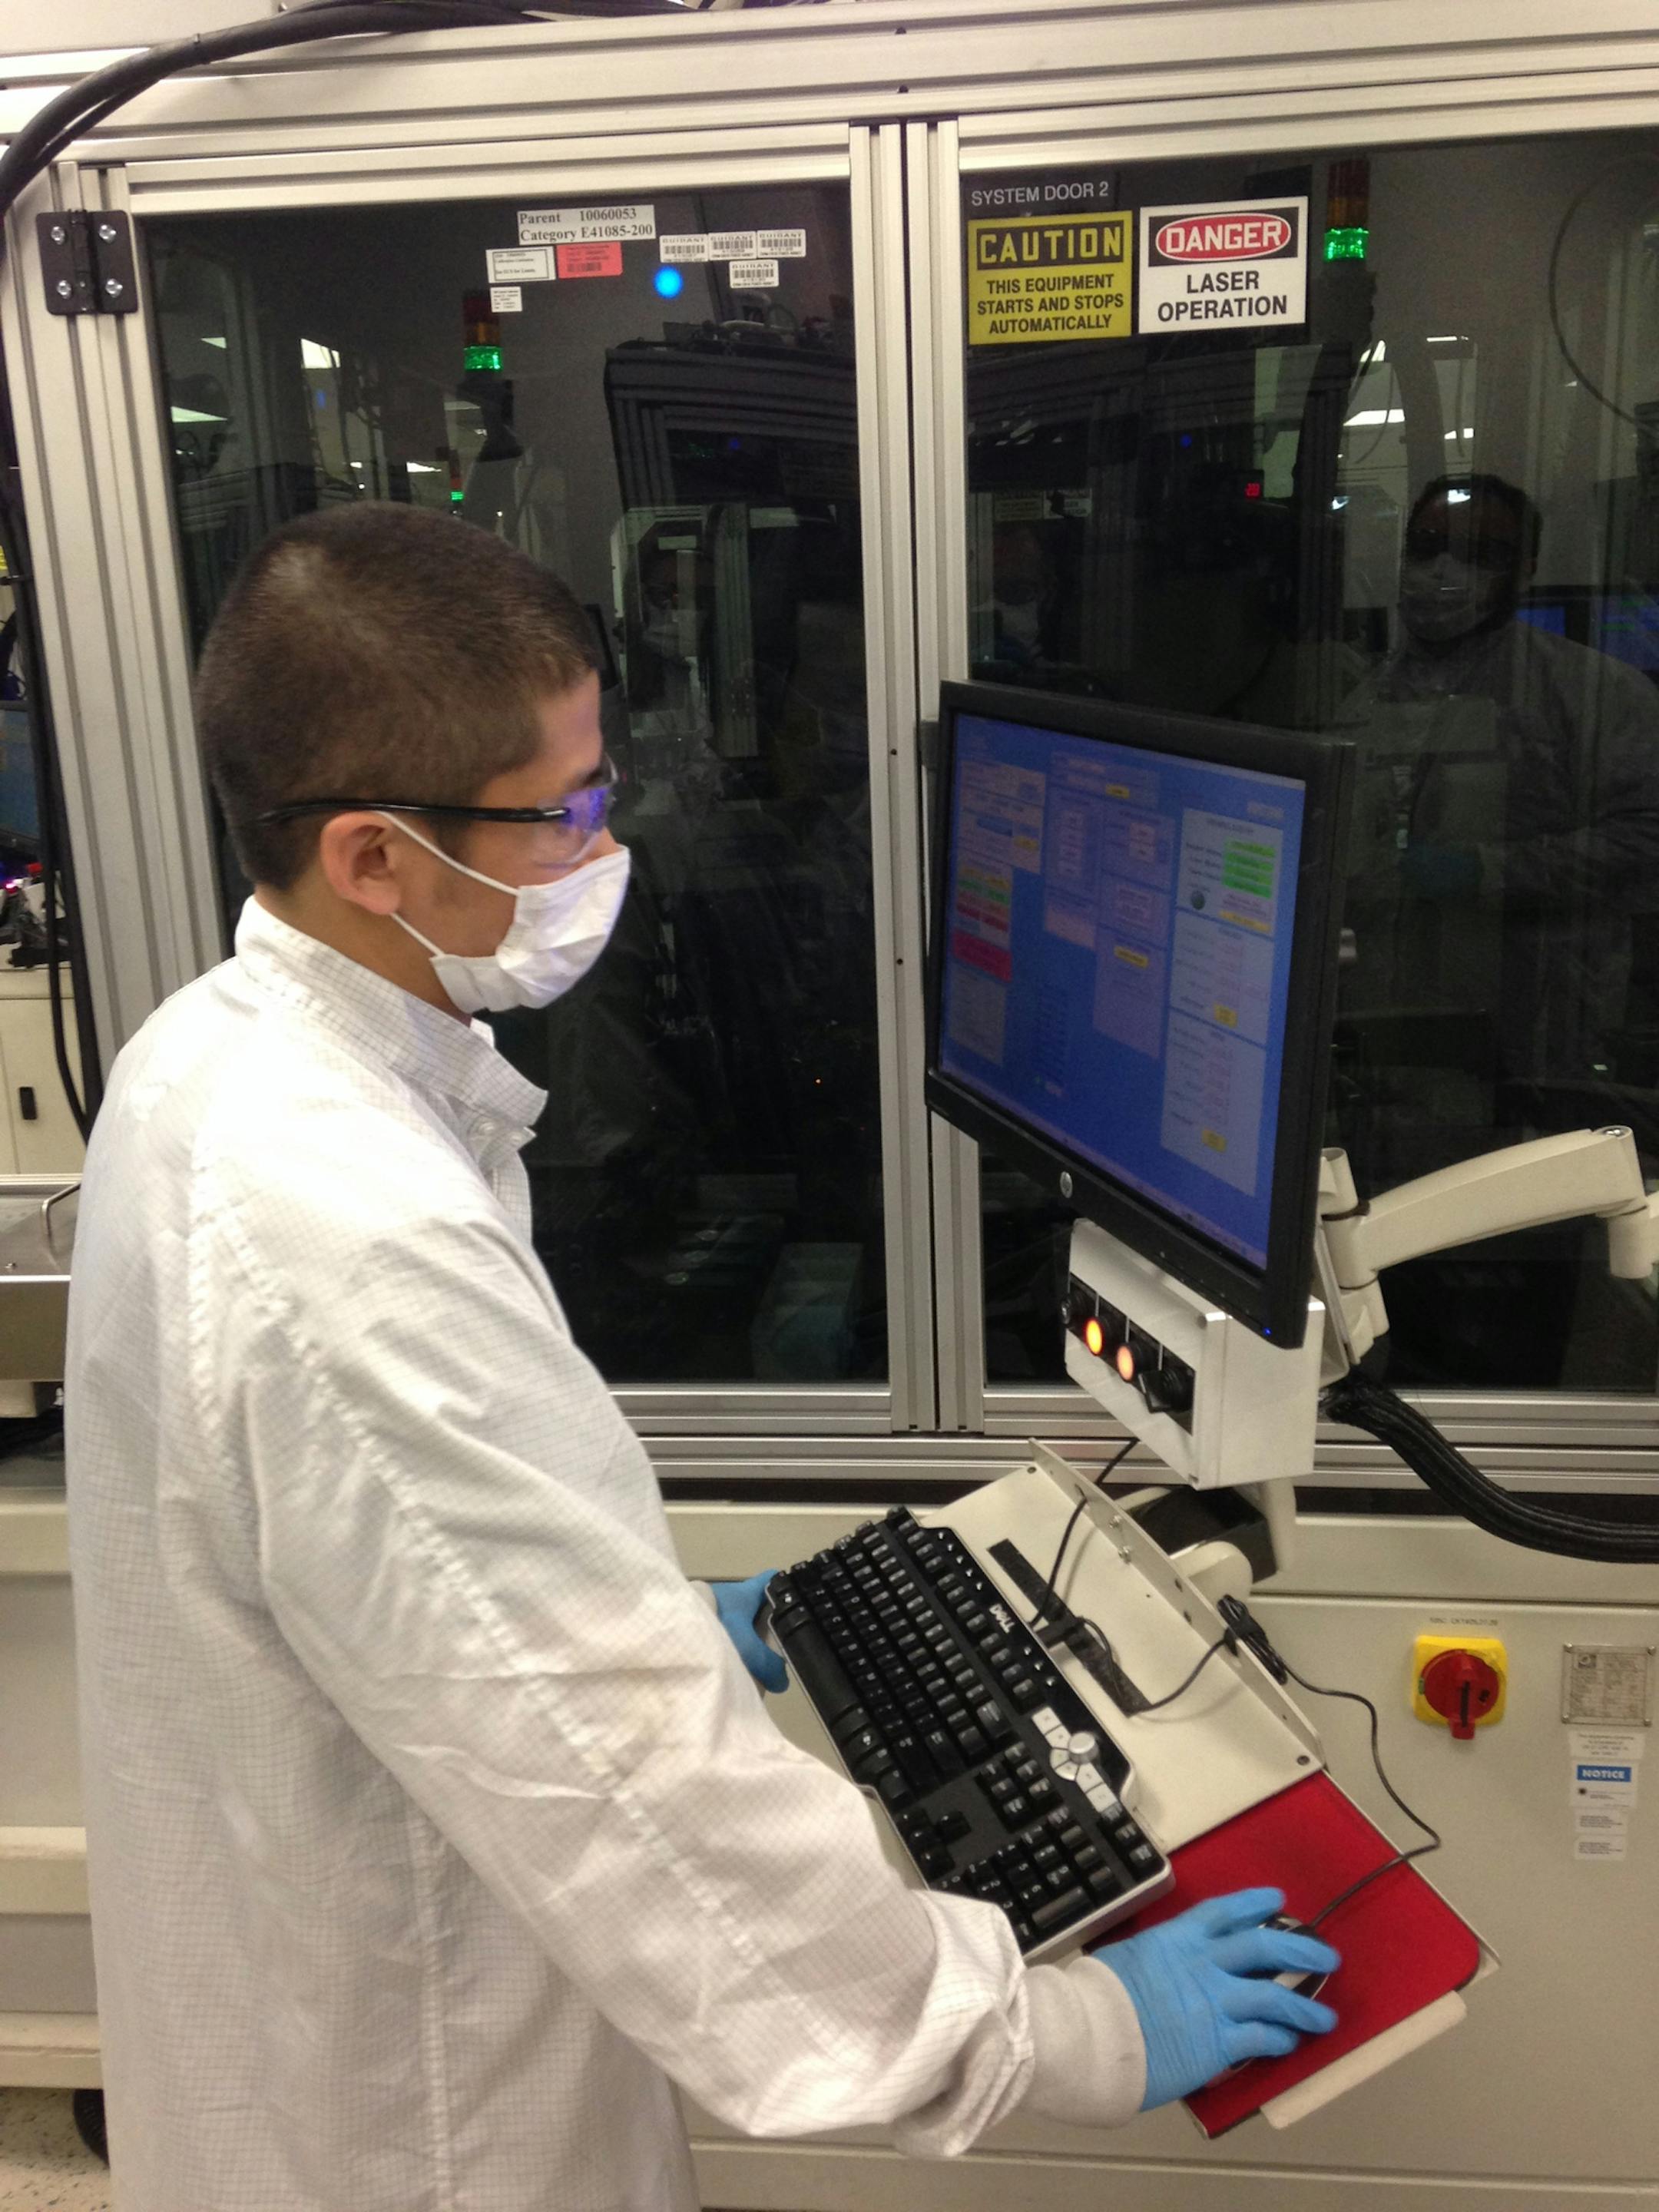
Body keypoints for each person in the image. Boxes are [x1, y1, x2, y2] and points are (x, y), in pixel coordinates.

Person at [64, 502, 1337, 2212]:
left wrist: (638, 1620)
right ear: (371, 856)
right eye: (562, 814)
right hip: (420, 2120)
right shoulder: (344, 1236)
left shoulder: (215, 1054)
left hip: (349, 1938)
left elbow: (394, 1574)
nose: (606, 848)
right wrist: (1072, 2028)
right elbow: (646, 1816)